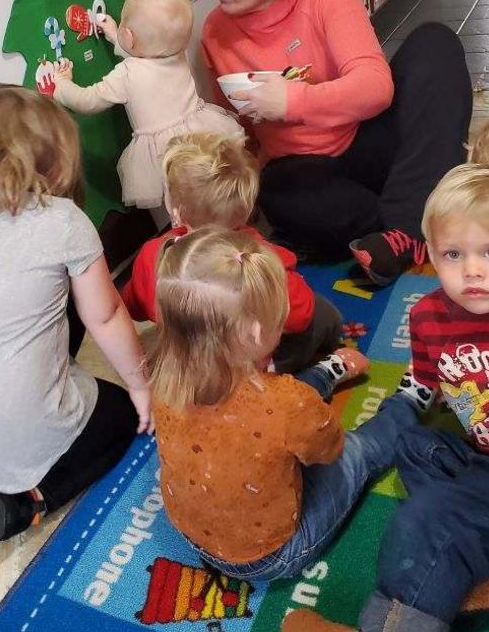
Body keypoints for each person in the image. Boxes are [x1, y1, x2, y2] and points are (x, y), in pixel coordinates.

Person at [282, 163, 489, 632]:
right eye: (454, 254)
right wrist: (399, 406)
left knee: (427, 515)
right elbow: (425, 377)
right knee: (413, 445)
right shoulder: (428, 315)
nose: (473, 271)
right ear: (429, 256)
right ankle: (463, 559)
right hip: (488, 458)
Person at [0, 84, 152, 541]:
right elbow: (105, 316)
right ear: (52, 156)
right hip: (17, 420)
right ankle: (31, 498)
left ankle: (5, 461)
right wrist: (139, 385)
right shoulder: (62, 220)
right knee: (120, 414)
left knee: (55, 297)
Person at [200, 0, 472, 283]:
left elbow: (375, 87)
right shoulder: (214, 30)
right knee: (280, 194)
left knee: (435, 43)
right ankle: (415, 218)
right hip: (304, 171)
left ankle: (405, 231)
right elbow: (235, 128)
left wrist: (291, 101)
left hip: (364, 140)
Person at [150, 227, 418, 581]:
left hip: (192, 534)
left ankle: (325, 373)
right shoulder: (286, 401)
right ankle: (411, 400)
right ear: (257, 333)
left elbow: (258, 413)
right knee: (357, 451)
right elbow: (330, 449)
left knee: (274, 410)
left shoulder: (162, 380)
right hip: (271, 556)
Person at [122, 131, 363, 381]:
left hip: (191, 358)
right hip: (245, 360)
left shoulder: (153, 253)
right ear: (246, 210)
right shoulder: (257, 258)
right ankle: (284, 374)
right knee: (325, 315)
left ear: (177, 212)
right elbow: (300, 316)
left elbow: (132, 306)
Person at [53, 0, 243, 208]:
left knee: (174, 202)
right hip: (196, 136)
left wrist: (61, 85)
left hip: (161, 154)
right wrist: (115, 35)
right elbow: (146, 57)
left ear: (129, 36)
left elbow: (87, 101)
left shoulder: (127, 73)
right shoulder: (176, 53)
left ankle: (183, 225)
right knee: (197, 194)